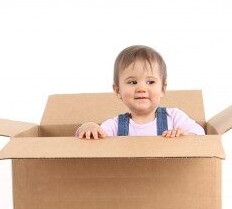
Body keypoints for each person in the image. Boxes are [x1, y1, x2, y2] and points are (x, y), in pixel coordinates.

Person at [75, 45, 205, 139]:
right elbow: (96, 136)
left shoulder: (174, 117)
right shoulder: (116, 125)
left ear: (162, 89)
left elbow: (200, 133)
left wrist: (184, 135)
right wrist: (89, 125)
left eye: (150, 82)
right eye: (132, 82)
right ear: (118, 90)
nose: (141, 88)